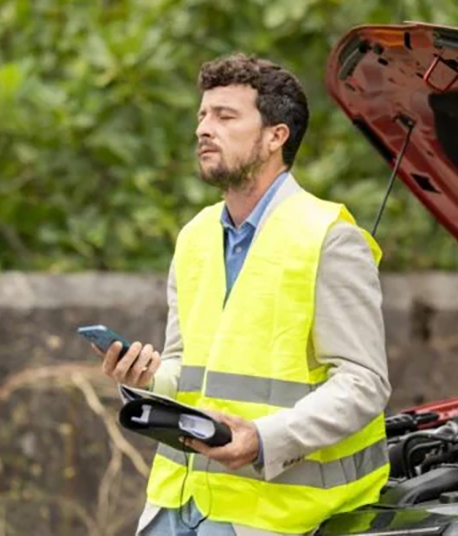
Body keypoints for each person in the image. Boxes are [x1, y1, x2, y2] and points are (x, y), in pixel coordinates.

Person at [95, 53, 390, 535]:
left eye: (225, 116)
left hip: (270, 516)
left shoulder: (330, 237)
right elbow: (185, 367)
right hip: (176, 506)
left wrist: (264, 439)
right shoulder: (194, 236)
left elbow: (363, 383)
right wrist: (146, 378)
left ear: (276, 136)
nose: (203, 129)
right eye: (202, 116)